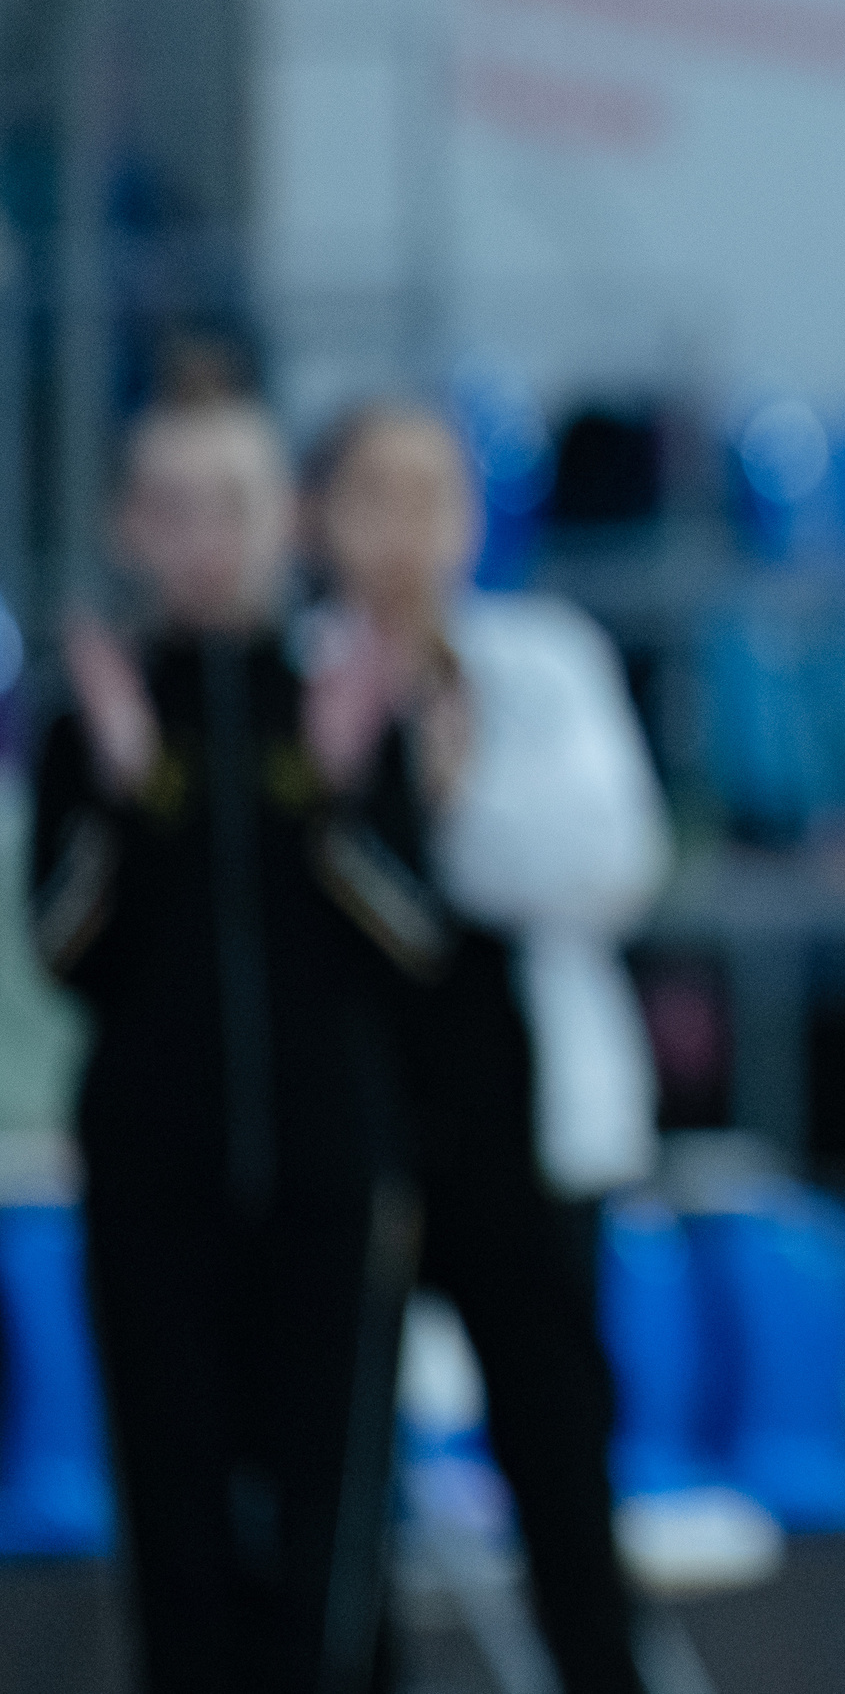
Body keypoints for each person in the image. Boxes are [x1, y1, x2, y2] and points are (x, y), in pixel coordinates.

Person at [30, 396, 437, 1693]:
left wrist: (327, 787)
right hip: (154, 1185)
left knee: (333, 1531)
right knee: (176, 1520)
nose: (210, 539)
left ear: (288, 522)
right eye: (178, 508)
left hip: (328, 1177)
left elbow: (412, 941)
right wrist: (132, 786)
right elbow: (63, 951)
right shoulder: (91, 722)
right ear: (130, 527)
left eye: (239, 505)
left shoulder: (339, 699)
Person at [304, 401, 668, 1694]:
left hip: (524, 1121)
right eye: (375, 495)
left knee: (563, 1459)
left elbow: (614, 857)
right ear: (319, 517)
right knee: (341, 1474)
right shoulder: (301, 676)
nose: (406, 529)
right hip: (351, 1120)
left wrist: (443, 796)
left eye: (434, 494)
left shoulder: (544, 657)